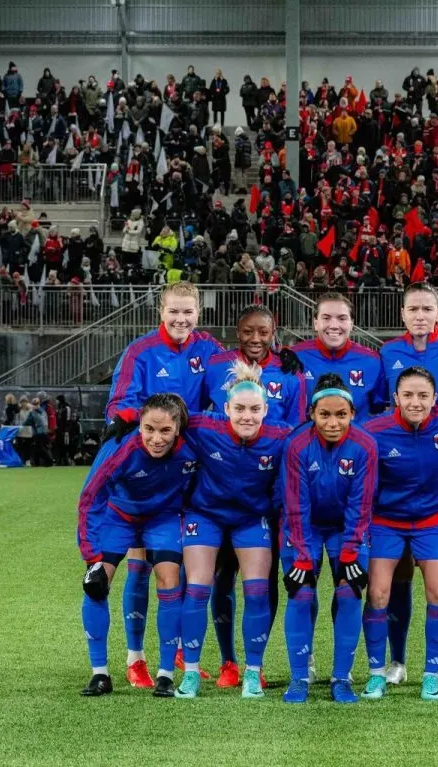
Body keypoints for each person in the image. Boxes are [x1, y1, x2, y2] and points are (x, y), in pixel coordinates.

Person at [104, 281, 225, 688]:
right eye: (174, 311)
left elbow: (233, 385)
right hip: (148, 470)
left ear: (198, 314)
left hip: (190, 471)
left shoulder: (208, 350)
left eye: (188, 312)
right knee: (139, 565)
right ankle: (135, 658)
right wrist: (153, 431)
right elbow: (119, 404)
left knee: (181, 566)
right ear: (161, 311)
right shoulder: (140, 351)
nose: (181, 319)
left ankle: (174, 654)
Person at [204, 304, 306, 688]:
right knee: (222, 575)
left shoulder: (291, 371)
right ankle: (229, 661)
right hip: (224, 481)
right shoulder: (216, 366)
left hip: (271, 491)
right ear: (237, 331)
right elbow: (201, 415)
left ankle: (255, 664)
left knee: (263, 579)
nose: (256, 339)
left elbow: (298, 432)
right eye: (248, 331)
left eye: (263, 331)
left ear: (273, 330)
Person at [175, 362, 290, 700]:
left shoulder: (281, 436)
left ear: (266, 410)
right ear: (225, 408)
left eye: (255, 409)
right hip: (205, 515)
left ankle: (252, 672)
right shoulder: (201, 426)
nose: (247, 416)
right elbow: (163, 418)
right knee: (197, 589)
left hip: (251, 519)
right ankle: (192, 672)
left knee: (256, 590)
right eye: (239, 408)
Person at [377, 281, 438, 686]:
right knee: (398, 576)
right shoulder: (387, 353)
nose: (419, 315)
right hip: (397, 467)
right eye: (412, 309)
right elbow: (380, 404)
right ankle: (396, 662)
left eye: (426, 309)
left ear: (437, 314)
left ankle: (437, 664)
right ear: (402, 314)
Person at [77, 393, 197, 697]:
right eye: (148, 429)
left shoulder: (193, 447)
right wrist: (91, 557)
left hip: (163, 518)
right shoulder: (119, 448)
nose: (156, 438)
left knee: (170, 579)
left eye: (165, 431)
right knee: (96, 583)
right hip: (120, 516)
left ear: (179, 429)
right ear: (139, 426)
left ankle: (166, 674)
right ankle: (100, 673)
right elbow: (90, 498)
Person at [278, 373, 378, 704]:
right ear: (311, 414)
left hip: (345, 529)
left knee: (349, 592)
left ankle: (341, 677)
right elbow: (295, 504)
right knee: (301, 592)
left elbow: (361, 505)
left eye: (341, 415)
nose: (333, 422)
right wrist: (304, 558)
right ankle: (299, 678)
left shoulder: (365, 445)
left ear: (353, 413)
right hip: (303, 527)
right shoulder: (296, 445)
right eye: (324, 415)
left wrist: (350, 553)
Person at [362, 367, 438, 701]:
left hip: (433, 519)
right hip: (386, 520)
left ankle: (432, 672)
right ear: (395, 399)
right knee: (378, 593)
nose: (415, 402)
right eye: (408, 395)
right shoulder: (374, 430)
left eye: (422, 396)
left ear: (435, 399)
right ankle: (377, 674)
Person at [291, 292, 385, 420]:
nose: (334, 325)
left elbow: (380, 411)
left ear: (351, 323)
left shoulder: (372, 361)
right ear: (316, 323)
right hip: (308, 439)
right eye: (326, 318)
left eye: (342, 318)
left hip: (356, 439)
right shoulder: (294, 357)